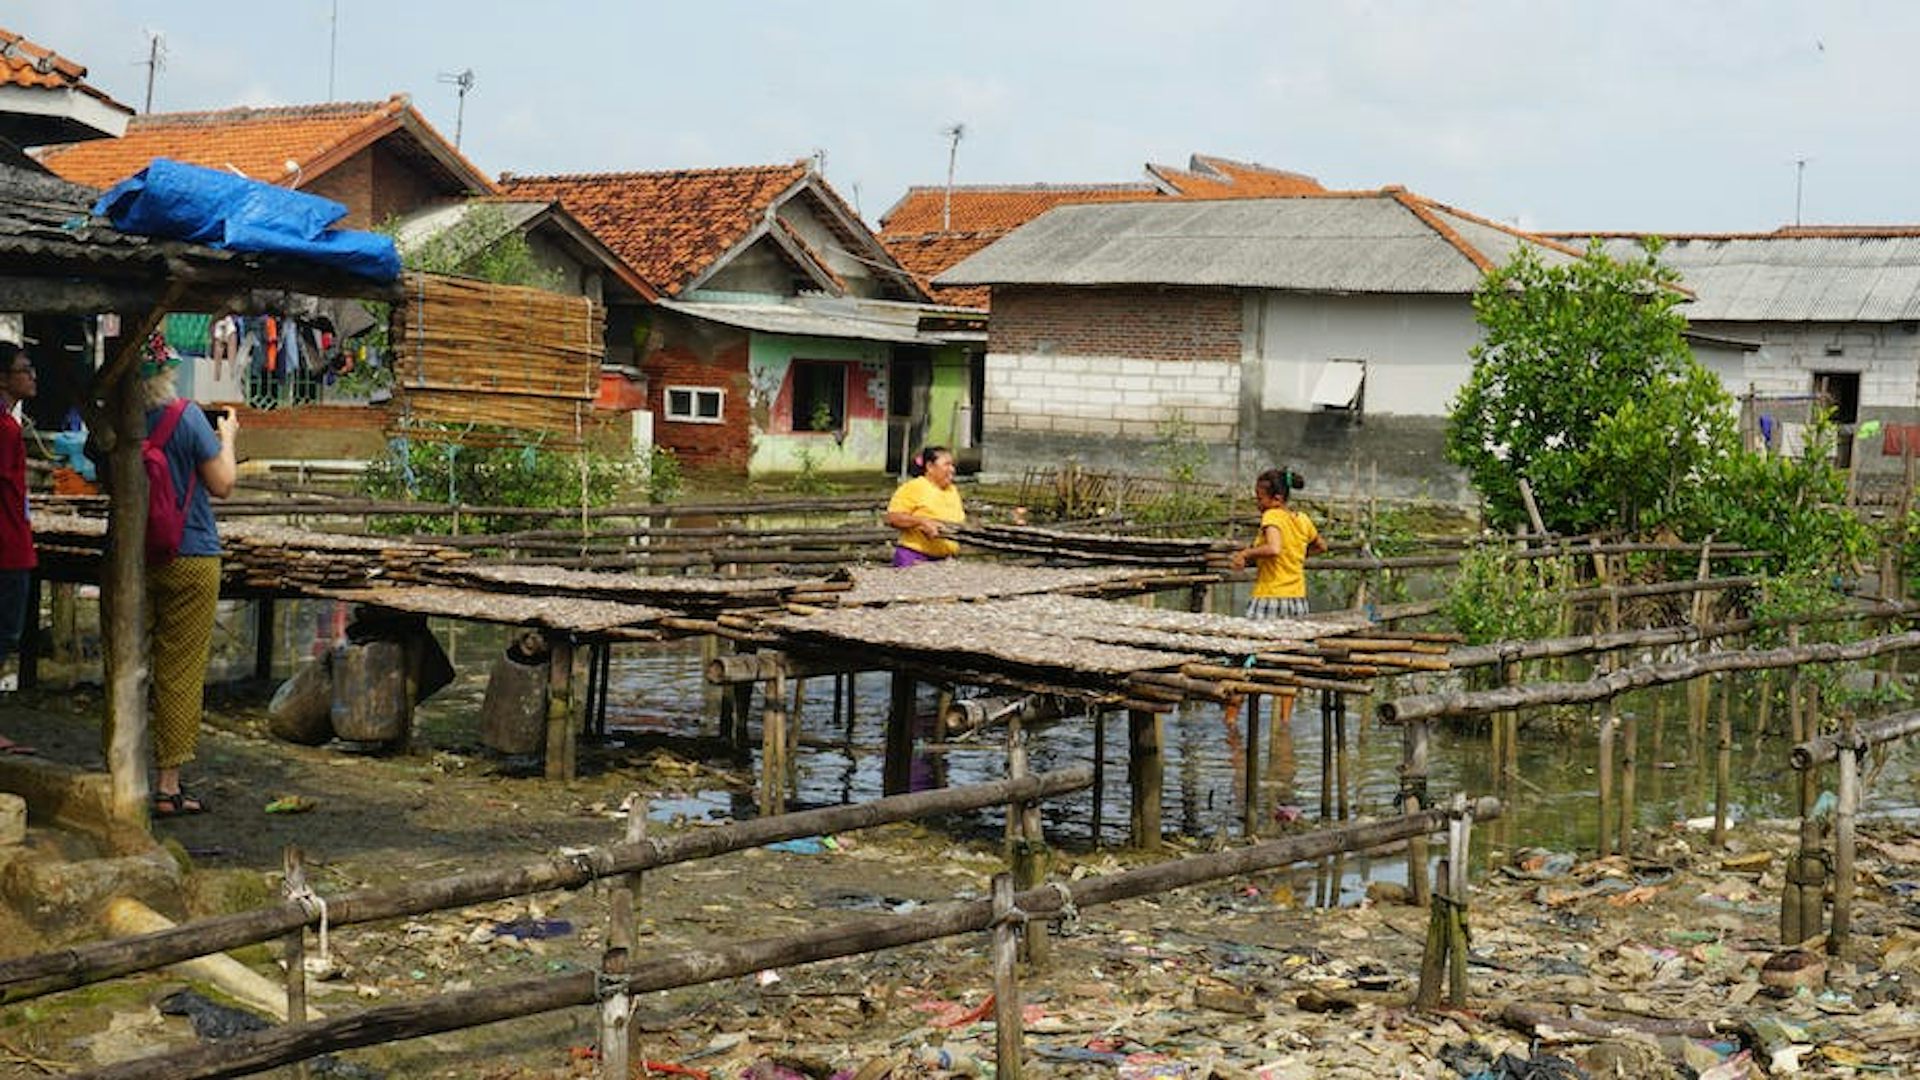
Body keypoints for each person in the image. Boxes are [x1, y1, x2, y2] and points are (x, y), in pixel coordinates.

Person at [140, 344, 239, 816]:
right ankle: (167, 785)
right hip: (192, 555)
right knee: (179, 671)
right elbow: (222, 483)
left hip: (130, 560)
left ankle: (121, 772)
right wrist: (230, 438)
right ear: (167, 373)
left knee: (127, 666)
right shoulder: (186, 416)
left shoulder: (114, 422)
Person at [1227, 467, 1326, 731]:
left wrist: (1246, 554)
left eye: (1260, 498)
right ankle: (1284, 725)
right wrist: (1297, 558)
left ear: (1277, 499)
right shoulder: (1302, 520)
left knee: (1242, 660)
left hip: (1269, 598)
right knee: (1288, 663)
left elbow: (1273, 548)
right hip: (1296, 600)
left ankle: (1231, 723)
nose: (1258, 504)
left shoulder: (1272, 516)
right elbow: (1320, 546)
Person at [0, 342, 36, 756]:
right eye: (24, 369)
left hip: (13, 540)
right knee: (3, 635)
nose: (32, 375)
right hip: (8, 546)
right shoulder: (6, 430)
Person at [884, 445, 964, 567]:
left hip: (945, 560)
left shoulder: (952, 490)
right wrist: (921, 522)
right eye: (946, 465)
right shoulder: (914, 487)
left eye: (952, 465)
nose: (952, 469)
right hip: (915, 556)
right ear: (930, 467)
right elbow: (893, 517)